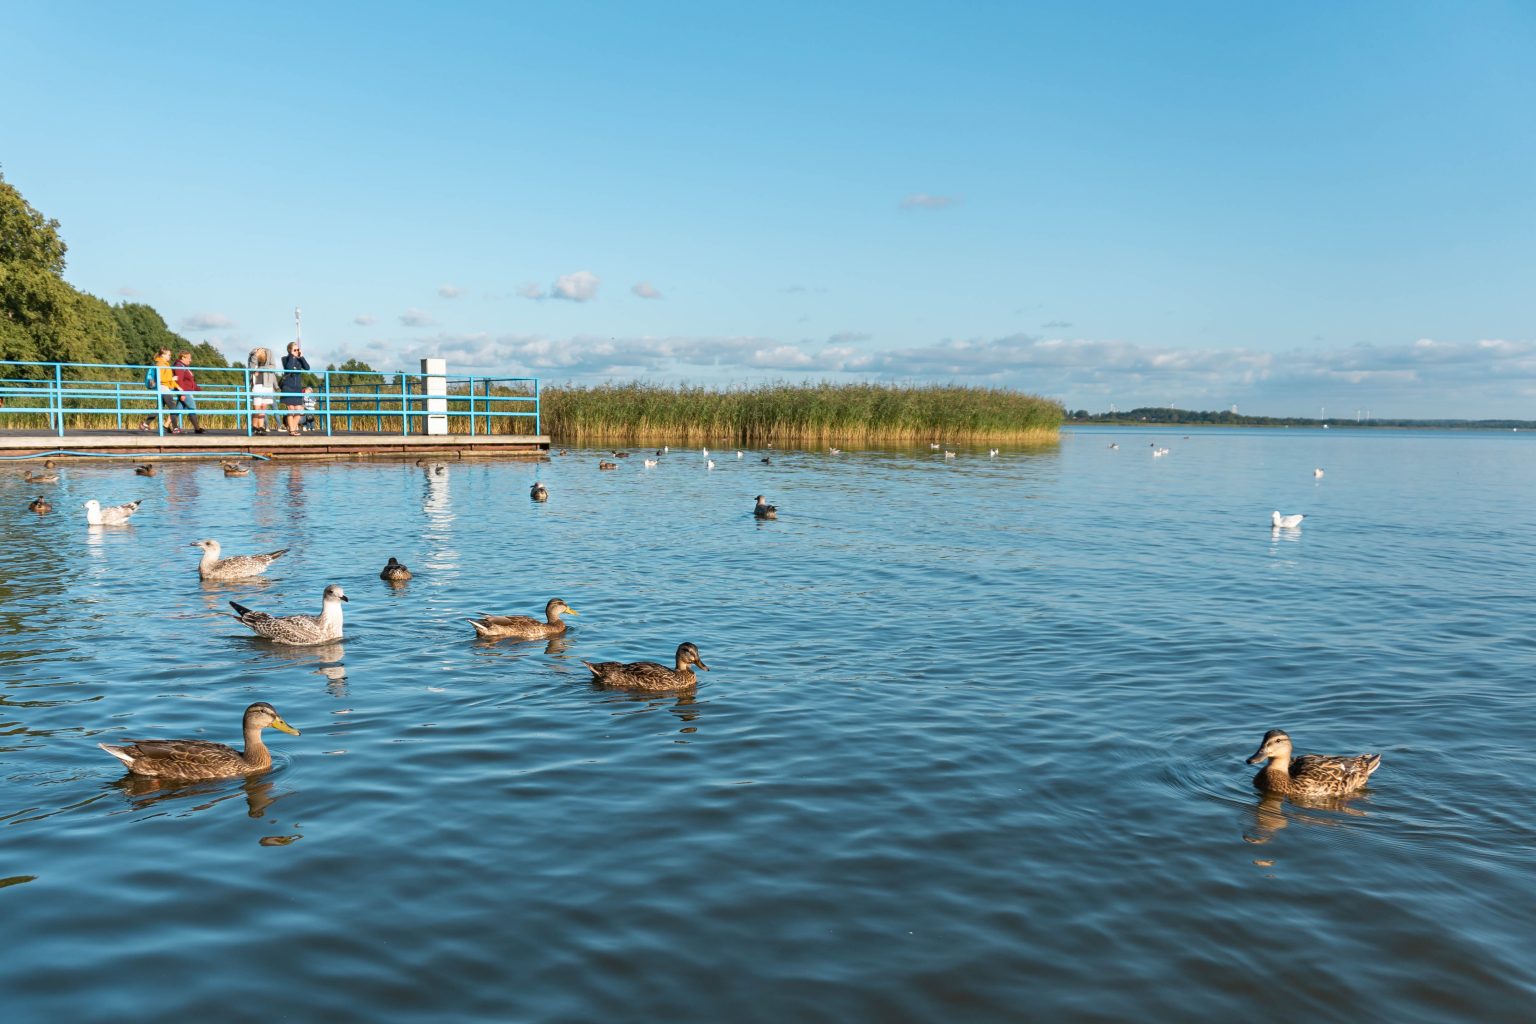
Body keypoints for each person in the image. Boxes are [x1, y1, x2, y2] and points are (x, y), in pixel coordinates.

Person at [138, 348, 180, 432]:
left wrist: (177, 386)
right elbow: (161, 378)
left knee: (159, 408)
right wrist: (172, 379)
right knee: (173, 407)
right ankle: (175, 428)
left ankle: (145, 424)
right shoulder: (161, 364)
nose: (170, 356)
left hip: (162, 388)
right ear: (163, 355)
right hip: (163, 388)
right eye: (169, 355)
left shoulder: (163, 363)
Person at [169, 351, 206, 434]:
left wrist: (198, 389)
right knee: (192, 407)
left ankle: (168, 425)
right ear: (183, 358)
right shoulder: (179, 366)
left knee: (178, 409)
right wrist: (182, 393)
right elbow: (180, 381)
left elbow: (190, 381)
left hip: (186, 390)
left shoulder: (185, 367)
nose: (190, 360)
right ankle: (197, 428)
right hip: (184, 391)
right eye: (189, 358)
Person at [280, 340, 311, 436]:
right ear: (289, 350)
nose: (297, 351)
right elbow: (288, 368)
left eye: (298, 349)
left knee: (299, 409)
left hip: (297, 387)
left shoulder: (299, 359)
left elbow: (307, 367)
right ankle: (292, 431)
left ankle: (292, 429)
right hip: (288, 387)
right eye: (295, 349)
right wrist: (292, 356)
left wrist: (301, 356)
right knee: (291, 409)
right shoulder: (285, 359)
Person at [247, 347, 279, 434]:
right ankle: (254, 426)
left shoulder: (269, 353)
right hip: (256, 384)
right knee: (256, 407)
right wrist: (255, 355)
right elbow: (251, 367)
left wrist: (260, 369)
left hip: (267, 384)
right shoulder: (252, 355)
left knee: (263, 407)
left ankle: (261, 427)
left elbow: (273, 367)